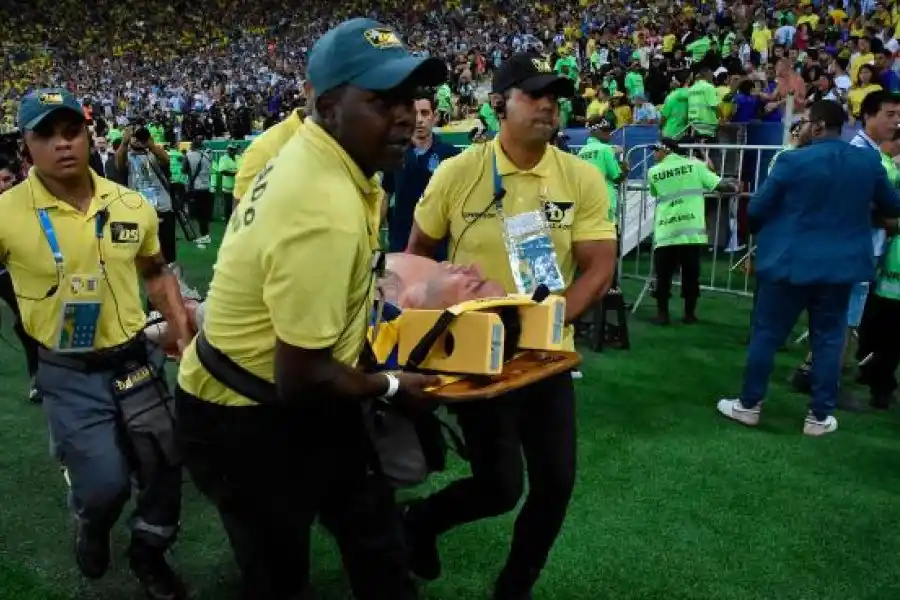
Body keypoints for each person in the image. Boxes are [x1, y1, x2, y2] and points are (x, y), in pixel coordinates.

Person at [173, 18, 447, 600]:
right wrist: (394, 386)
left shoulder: (317, 154)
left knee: (373, 538)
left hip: (284, 392)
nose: (406, 114)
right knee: (279, 573)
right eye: (382, 100)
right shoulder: (322, 203)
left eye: (409, 98)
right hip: (246, 415)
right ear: (327, 105)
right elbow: (302, 378)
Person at [405, 52, 618, 600]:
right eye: (534, 94)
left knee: (556, 483)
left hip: (546, 356)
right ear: (500, 103)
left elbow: (599, 264)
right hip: (478, 357)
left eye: (555, 96)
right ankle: (420, 522)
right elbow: (418, 252)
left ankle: (515, 587)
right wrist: (429, 334)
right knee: (500, 488)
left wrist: (553, 320)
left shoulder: (582, 177)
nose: (549, 104)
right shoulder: (457, 172)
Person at [0, 89, 190, 598]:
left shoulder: (130, 203)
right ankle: (93, 522)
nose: (63, 145)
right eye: (46, 135)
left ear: (88, 136)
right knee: (104, 484)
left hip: (135, 357)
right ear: (27, 147)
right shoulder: (7, 213)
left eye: (72, 132)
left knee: (165, 466)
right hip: (68, 370)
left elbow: (155, 270)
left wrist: (180, 332)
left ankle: (148, 552)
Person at [717, 100, 900, 437]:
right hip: (840, 267)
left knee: (768, 335)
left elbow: (756, 210)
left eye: (804, 122)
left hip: (789, 263)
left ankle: (749, 405)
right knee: (829, 340)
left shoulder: (792, 160)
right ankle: (818, 417)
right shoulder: (867, 162)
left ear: (816, 126)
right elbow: (893, 205)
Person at [647, 138, 736, 325]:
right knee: (690, 275)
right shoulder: (694, 166)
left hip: (667, 231)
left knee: (663, 275)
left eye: (656, 150)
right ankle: (689, 314)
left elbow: (655, 193)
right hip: (691, 233)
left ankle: (662, 314)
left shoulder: (653, 172)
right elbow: (720, 185)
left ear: (666, 151)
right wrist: (735, 187)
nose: (654, 154)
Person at [382, 94, 459, 259]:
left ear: (434, 116)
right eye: (415, 113)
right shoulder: (395, 153)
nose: (419, 120)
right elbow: (385, 194)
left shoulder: (450, 154)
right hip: (400, 245)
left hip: (438, 248)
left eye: (425, 113)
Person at [857, 129, 900, 409]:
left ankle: (876, 378)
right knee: (884, 330)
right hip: (890, 265)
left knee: (883, 329)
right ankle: (876, 381)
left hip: (889, 266)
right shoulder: (883, 166)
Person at [0, 154, 40, 401]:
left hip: (11, 273)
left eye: (7, 179)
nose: (2, 185)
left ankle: (37, 378)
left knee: (27, 324)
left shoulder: (25, 206)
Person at [115, 126, 177, 265]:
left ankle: (173, 277)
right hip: (138, 209)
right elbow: (119, 165)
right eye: (134, 137)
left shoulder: (153, 154)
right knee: (142, 251)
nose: (137, 140)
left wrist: (149, 143)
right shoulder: (127, 157)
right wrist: (124, 143)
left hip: (162, 206)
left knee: (167, 248)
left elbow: (166, 160)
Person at [577, 116, 626, 224]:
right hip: (604, 201)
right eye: (604, 130)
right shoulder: (605, 149)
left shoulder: (581, 151)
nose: (609, 133)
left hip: (586, 202)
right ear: (594, 131)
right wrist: (625, 169)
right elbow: (617, 178)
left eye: (609, 130)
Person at [183, 137, 214, 248]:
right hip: (207, 187)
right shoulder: (207, 155)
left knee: (197, 214)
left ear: (192, 146)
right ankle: (206, 235)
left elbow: (184, 170)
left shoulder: (189, 156)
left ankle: (203, 236)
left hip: (196, 188)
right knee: (204, 214)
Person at [217, 144, 240, 223]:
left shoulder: (238, 158)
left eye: (234, 149)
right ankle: (228, 220)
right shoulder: (223, 159)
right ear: (228, 150)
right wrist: (235, 174)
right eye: (231, 149)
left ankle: (236, 219)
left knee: (238, 204)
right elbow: (223, 171)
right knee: (228, 204)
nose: (232, 151)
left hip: (238, 186)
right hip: (228, 187)